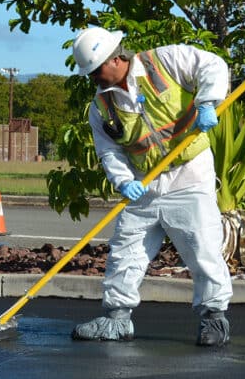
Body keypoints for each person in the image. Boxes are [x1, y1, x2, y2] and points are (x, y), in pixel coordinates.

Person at [70, 26, 233, 346]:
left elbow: (212, 65)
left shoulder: (166, 61)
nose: (93, 78)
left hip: (190, 174)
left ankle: (214, 318)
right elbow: (108, 150)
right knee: (125, 250)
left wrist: (208, 102)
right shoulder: (100, 107)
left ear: (115, 58)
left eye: (96, 70)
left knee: (202, 247)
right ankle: (117, 318)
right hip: (144, 184)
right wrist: (124, 181)